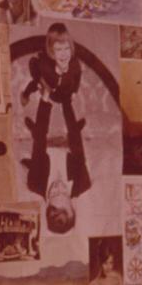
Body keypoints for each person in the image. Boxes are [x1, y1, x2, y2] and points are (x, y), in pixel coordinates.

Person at [20, 23, 90, 234]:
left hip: (46, 139)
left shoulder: (35, 183)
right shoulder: (82, 183)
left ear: (47, 202)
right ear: (72, 203)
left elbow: (40, 142)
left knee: (36, 130)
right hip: (68, 140)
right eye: (64, 193)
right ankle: (74, 122)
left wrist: (45, 101)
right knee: (76, 122)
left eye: (54, 192)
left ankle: (31, 131)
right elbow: (77, 146)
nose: (59, 186)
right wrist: (69, 110)